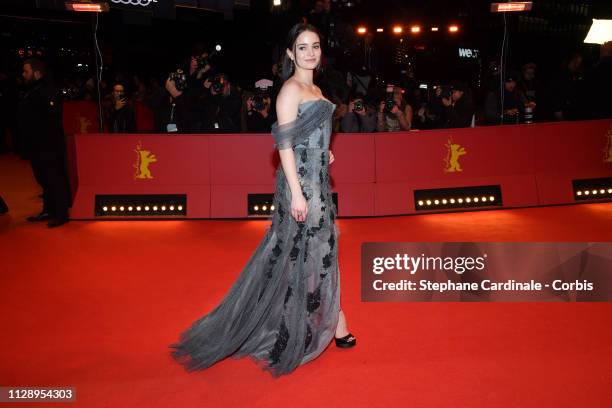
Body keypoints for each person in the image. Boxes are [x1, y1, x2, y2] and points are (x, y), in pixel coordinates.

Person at [170, 22, 356, 378]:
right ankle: (332, 322)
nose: (310, 53)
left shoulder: (313, 86)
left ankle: (333, 319)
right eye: (302, 47)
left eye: (315, 46)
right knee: (312, 255)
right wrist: (298, 194)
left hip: (317, 181)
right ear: (290, 54)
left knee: (316, 254)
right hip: (302, 188)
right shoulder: (289, 90)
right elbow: (283, 144)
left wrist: (323, 153)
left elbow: (309, 135)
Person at [17, 58, 70, 227]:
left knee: (54, 178)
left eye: (26, 71)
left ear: (37, 72)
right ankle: (49, 210)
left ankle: (61, 214)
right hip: (37, 145)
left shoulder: (48, 90)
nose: (23, 74)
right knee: (43, 179)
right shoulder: (33, 90)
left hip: (49, 145)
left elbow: (50, 118)